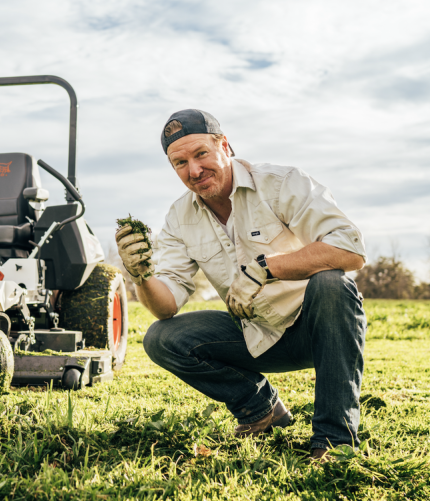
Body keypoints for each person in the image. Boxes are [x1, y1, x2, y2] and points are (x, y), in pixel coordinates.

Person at [117, 109, 367, 461]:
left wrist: (265, 268)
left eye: (201, 153)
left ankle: (333, 440)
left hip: (320, 330)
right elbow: (167, 304)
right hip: (257, 336)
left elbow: (349, 249)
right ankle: (260, 408)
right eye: (180, 162)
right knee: (161, 337)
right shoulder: (179, 217)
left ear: (225, 145)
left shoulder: (282, 184)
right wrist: (140, 275)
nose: (194, 170)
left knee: (331, 283)